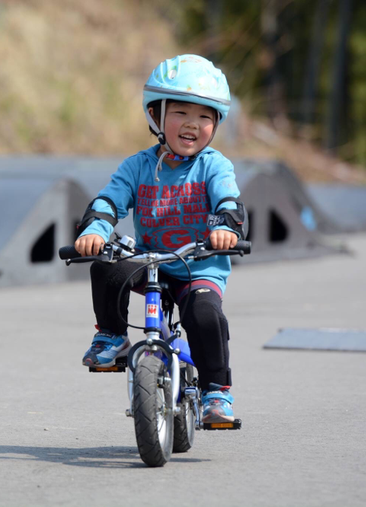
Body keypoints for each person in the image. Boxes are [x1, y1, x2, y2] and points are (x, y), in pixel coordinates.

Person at [73, 54, 247, 423]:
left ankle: (216, 392)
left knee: (204, 314)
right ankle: (111, 337)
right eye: (180, 113)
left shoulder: (214, 166)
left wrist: (225, 229)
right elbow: (109, 201)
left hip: (198, 265)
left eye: (204, 116)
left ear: (215, 124)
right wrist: (94, 230)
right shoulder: (138, 166)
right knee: (106, 266)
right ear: (156, 116)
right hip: (153, 263)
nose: (192, 124)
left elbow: (228, 201)